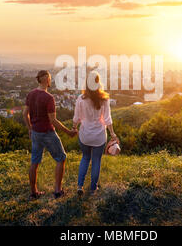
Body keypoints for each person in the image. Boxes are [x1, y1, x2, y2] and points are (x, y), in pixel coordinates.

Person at [23, 70, 76, 200]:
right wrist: (68, 132)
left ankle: (34, 192)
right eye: (50, 79)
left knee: (34, 162)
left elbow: (25, 114)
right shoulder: (49, 98)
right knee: (61, 158)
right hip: (47, 132)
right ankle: (58, 190)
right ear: (47, 80)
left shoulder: (30, 94)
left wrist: (30, 128)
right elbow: (53, 120)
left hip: (35, 132)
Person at [73, 72, 119, 196]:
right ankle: (93, 189)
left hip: (85, 135)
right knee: (96, 161)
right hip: (99, 136)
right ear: (98, 82)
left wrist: (74, 128)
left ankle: (79, 185)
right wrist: (113, 134)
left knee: (85, 158)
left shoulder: (80, 99)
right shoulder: (104, 99)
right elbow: (107, 119)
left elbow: (76, 118)